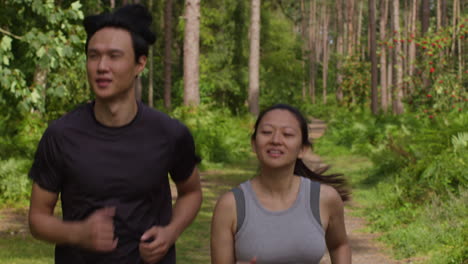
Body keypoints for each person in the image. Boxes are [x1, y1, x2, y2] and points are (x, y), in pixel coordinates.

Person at [28, 4, 202, 264]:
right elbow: (37, 218)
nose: (101, 66)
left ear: (139, 64)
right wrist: (78, 233)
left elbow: (192, 192)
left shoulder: (169, 133)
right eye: (93, 55)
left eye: (114, 56)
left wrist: (170, 232)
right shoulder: (61, 136)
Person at [211, 104, 351, 264]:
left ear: (303, 149)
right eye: (266, 132)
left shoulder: (325, 198)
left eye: (288, 134)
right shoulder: (230, 205)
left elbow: (340, 245)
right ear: (254, 144)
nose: (276, 140)